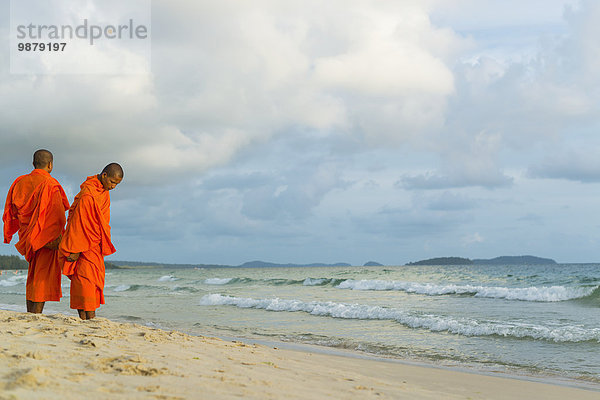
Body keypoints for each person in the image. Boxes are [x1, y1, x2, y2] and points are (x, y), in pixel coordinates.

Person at [3, 149, 70, 313]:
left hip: (29, 235)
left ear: (33, 164)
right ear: (50, 165)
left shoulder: (19, 182)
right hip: (47, 237)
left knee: (33, 274)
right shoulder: (51, 184)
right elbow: (58, 214)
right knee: (41, 277)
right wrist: (58, 237)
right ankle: (35, 315)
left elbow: (12, 210)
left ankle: (30, 314)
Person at [59, 163, 123, 320]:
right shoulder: (89, 193)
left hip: (94, 247)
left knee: (91, 284)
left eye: (117, 184)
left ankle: (88, 320)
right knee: (84, 283)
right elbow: (80, 223)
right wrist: (77, 250)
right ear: (104, 175)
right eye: (112, 182)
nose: (113, 187)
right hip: (82, 246)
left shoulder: (104, 193)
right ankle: (88, 320)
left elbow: (101, 223)